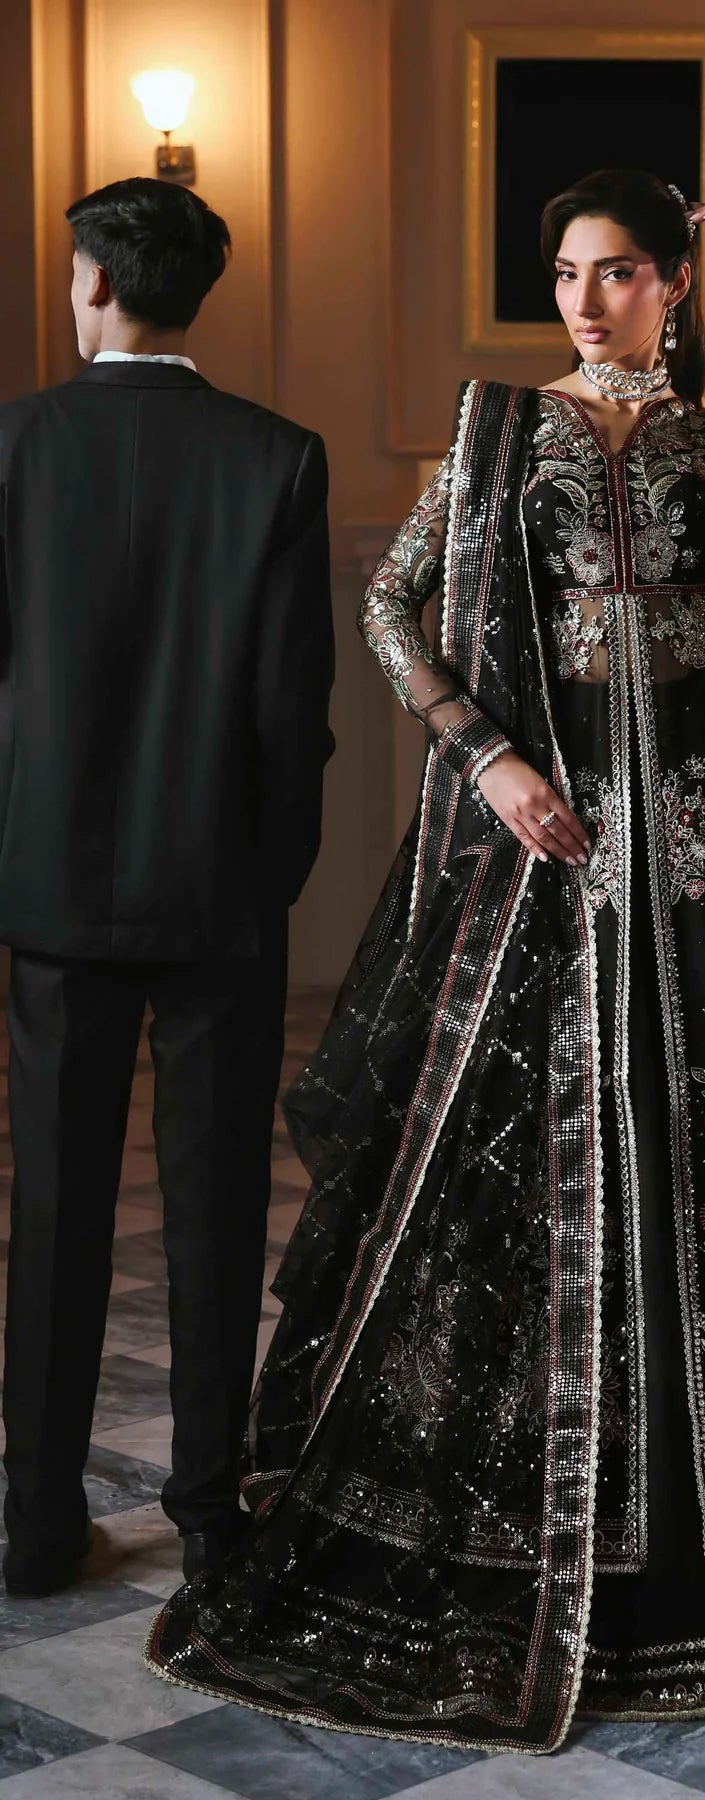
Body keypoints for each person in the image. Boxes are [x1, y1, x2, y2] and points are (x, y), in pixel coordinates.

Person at [147, 169, 705, 1752]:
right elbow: (393, 607)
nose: (584, 299)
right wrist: (487, 758)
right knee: (532, 1141)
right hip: (544, 834)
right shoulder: (498, 432)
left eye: (616, 272)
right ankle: (555, 1476)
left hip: (697, 836)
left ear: (670, 286)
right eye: (565, 272)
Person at [0, 177, 334, 1597]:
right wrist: (268, 881)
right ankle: (208, 1513)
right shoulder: (279, 456)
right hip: (220, 890)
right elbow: (293, 713)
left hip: (51, 888)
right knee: (215, 1207)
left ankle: (35, 1521)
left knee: (54, 1210)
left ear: (93, 281)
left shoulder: (13, 444)